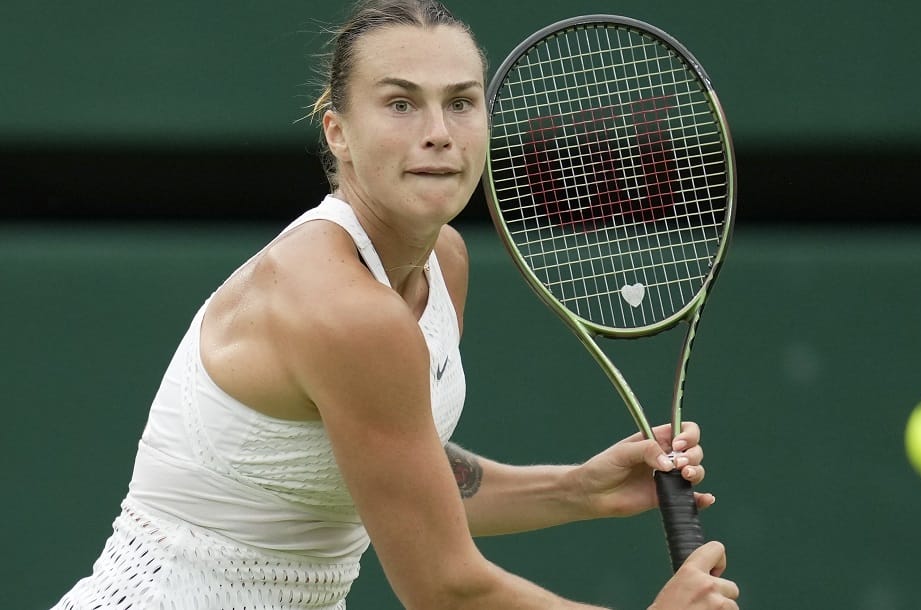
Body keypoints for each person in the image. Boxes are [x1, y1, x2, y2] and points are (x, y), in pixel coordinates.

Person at [52, 1, 740, 608]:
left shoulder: (442, 261)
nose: (438, 131)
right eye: (401, 103)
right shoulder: (344, 309)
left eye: (462, 102)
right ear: (337, 133)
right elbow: (444, 588)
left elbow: (401, 476)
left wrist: (574, 490)